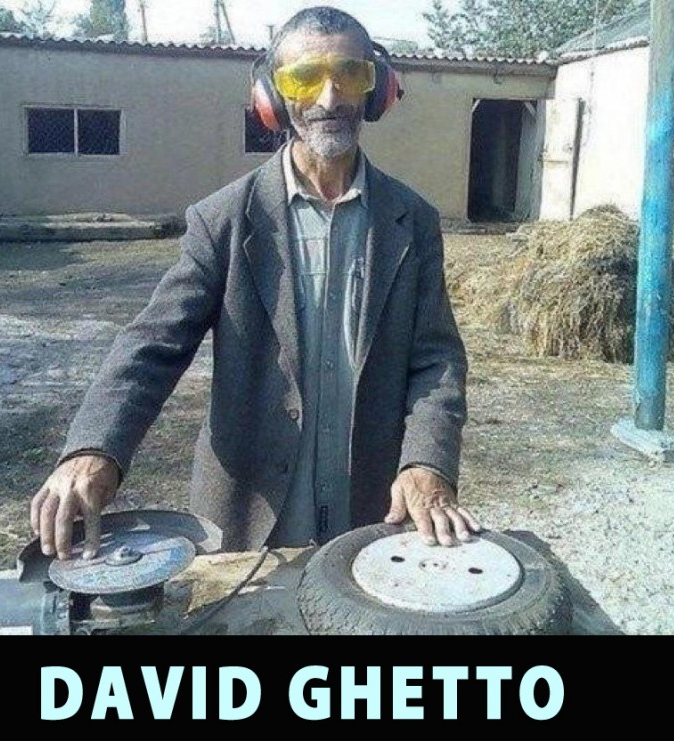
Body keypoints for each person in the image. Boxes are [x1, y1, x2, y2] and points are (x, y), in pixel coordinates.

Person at [30, 6, 481, 560]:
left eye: (349, 73)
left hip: (374, 509)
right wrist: (94, 447)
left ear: (378, 88)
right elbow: (153, 345)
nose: (330, 97)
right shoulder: (221, 220)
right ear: (271, 96)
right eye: (305, 78)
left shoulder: (413, 220)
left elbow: (436, 359)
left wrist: (428, 461)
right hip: (248, 521)